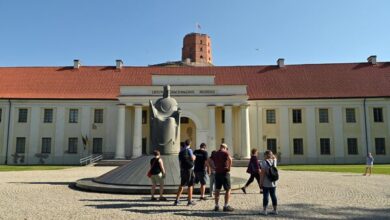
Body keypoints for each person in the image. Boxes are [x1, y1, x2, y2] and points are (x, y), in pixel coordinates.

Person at [174, 139, 196, 206]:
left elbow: (180, 162)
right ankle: (190, 201)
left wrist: (181, 169)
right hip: (189, 169)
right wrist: (195, 157)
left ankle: (177, 200)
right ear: (190, 144)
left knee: (182, 184)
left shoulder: (181, 152)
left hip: (183, 169)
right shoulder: (189, 150)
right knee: (190, 185)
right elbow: (192, 158)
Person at [212, 143, 234, 212]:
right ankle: (226, 206)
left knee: (217, 190)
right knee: (228, 189)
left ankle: (216, 206)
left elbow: (209, 160)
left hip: (217, 173)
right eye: (226, 148)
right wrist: (229, 168)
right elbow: (230, 159)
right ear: (225, 148)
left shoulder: (215, 153)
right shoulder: (225, 153)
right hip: (224, 173)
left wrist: (213, 167)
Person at [260, 150, 278, 215]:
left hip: (266, 182)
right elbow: (274, 157)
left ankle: (265, 210)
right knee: (273, 195)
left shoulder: (263, 162)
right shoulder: (274, 161)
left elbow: (262, 174)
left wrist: (260, 182)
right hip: (273, 182)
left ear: (265, 155)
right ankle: (275, 210)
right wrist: (272, 155)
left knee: (266, 196)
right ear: (270, 155)